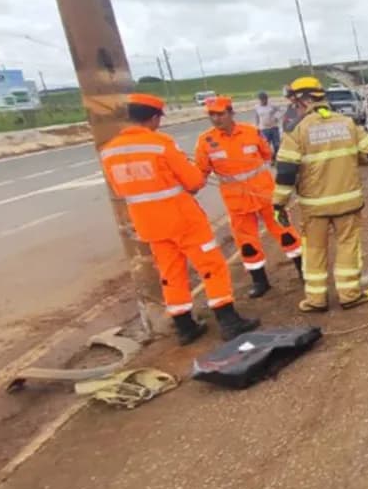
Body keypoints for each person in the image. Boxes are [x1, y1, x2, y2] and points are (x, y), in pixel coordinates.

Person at [99, 93, 260, 344]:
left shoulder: (109, 152)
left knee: (170, 273)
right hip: (183, 220)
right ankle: (229, 321)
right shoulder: (160, 143)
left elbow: (120, 191)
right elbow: (194, 181)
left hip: (149, 224)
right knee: (211, 267)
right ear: (153, 118)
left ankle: (185, 327)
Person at [275, 77, 368, 313]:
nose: (294, 106)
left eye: (295, 100)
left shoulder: (297, 131)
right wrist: (351, 160)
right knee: (348, 247)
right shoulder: (347, 123)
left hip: (314, 207)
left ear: (305, 100)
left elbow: (286, 172)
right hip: (348, 202)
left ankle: (316, 300)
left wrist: (279, 204)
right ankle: (350, 294)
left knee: (314, 251)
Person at [196, 96, 303, 298]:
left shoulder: (251, 132)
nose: (216, 119)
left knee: (286, 232)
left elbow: (266, 155)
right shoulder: (205, 141)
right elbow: (200, 172)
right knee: (247, 244)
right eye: (212, 115)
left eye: (220, 114)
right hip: (237, 202)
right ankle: (260, 281)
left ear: (231, 113)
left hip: (265, 195)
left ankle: (303, 271)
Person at [254, 91, 281, 160]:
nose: (263, 100)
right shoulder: (257, 107)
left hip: (274, 128)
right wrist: (257, 126)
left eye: (265, 99)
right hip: (264, 129)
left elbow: (280, 110)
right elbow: (257, 117)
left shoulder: (272, 105)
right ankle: (270, 159)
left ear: (267, 98)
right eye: (262, 99)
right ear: (259, 99)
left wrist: (276, 117)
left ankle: (276, 158)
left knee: (276, 145)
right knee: (266, 146)